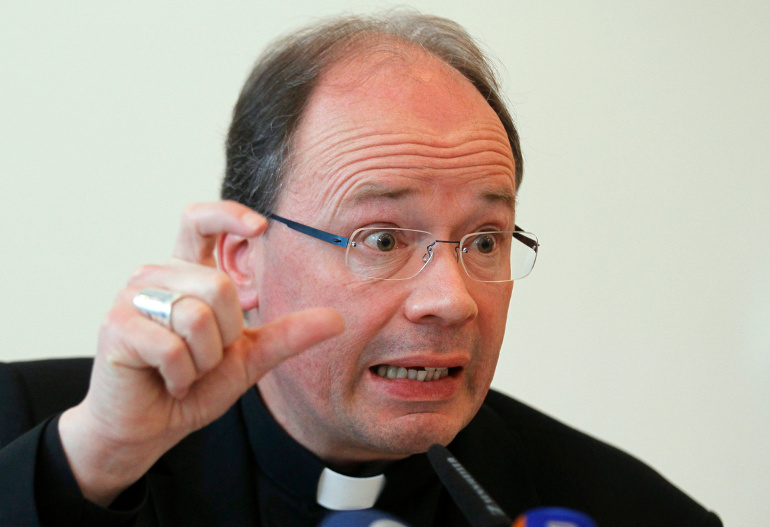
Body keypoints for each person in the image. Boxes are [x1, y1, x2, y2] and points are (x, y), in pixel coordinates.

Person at [0, 12, 721, 527]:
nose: (452, 300)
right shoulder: (41, 432)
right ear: (241, 261)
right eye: (380, 239)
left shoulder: (631, 510)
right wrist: (89, 461)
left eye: (483, 240)